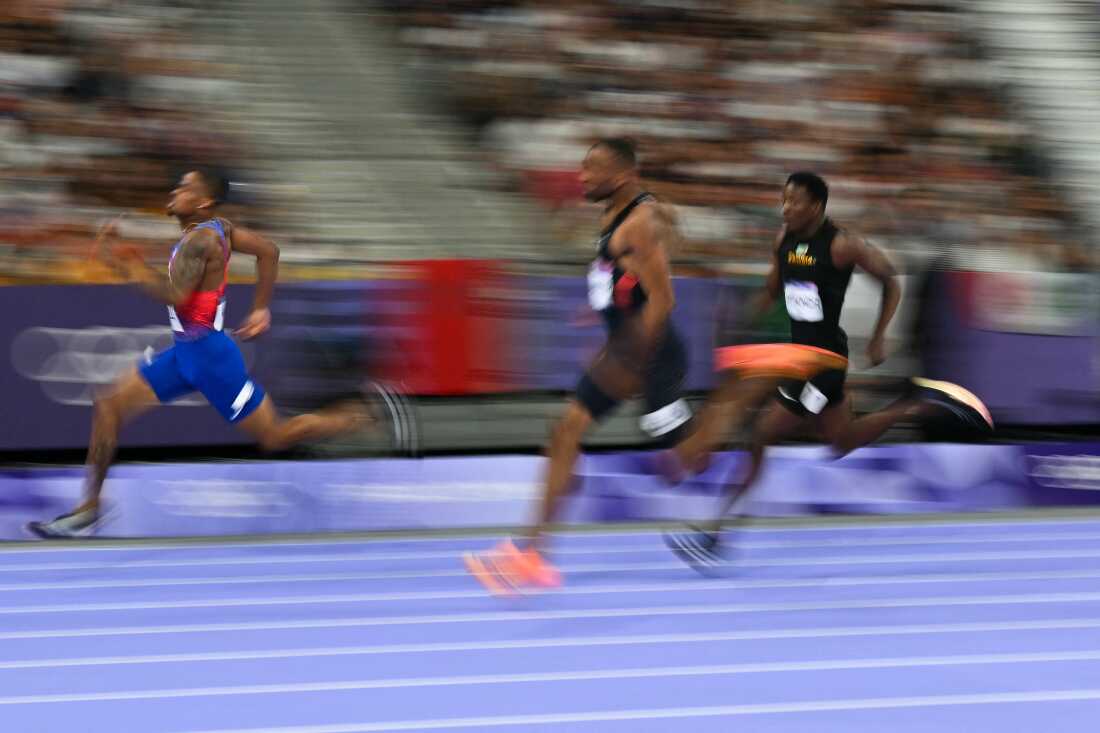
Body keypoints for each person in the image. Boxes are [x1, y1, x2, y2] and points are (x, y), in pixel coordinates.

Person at [664, 172, 992, 570]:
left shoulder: (842, 245)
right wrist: (740, 327)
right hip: (797, 357)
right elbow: (772, 291)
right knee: (840, 441)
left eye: (794, 202)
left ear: (816, 206)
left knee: (761, 434)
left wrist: (878, 336)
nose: (785, 208)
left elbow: (889, 280)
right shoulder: (783, 241)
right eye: (783, 200)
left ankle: (718, 530)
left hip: (824, 362)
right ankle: (914, 406)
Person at [28, 169, 370, 538]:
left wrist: (130, 263)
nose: (175, 190)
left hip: (212, 361)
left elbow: (175, 295)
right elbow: (268, 252)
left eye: (185, 187)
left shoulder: (202, 241)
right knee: (108, 404)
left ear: (203, 202)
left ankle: (350, 418)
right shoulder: (218, 228)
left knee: (275, 436)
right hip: (185, 354)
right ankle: (89, 510)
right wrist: (260, 307)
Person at [464, 138, 695, 594]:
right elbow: (621, 277)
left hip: (650, 351)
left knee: (678, 456)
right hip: (629, 345)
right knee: (569, 434)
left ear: (624, 175)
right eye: (582, 168)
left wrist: (629, 355)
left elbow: (664, 299)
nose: (582, 177)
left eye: (592, 169)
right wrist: (601, 313)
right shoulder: (615, 214)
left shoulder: (640, 222)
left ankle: (533, 550)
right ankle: (532, 552)